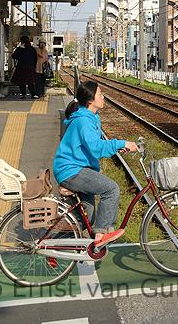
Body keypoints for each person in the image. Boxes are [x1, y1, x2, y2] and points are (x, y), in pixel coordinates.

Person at [53, 81, 138, 247]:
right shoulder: (84, 121)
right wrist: (120, 143)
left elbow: (94, 146)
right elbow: (96, 147)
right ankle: (102, 233)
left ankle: (53, 245)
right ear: (90, 100)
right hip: (71, 170)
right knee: (111, 189)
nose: (103, 97)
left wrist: (115, 148)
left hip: (76, 168)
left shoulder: (91, 117)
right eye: (100, 94)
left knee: (86, 218)